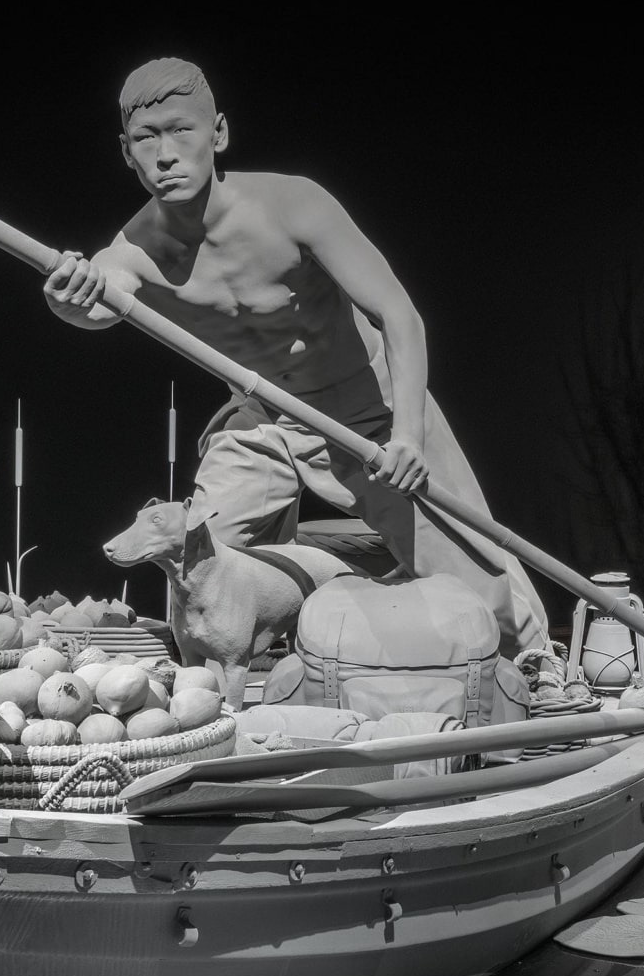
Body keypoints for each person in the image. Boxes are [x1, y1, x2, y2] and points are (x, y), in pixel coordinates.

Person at [43, 57, 547, 648]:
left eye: (182, 130)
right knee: (198, 558)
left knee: (479, 590)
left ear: (218, 134)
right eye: (146, 138)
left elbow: (399, 316)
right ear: (126, 152)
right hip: (262, 420)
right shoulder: (134, 249)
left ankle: (536, 666)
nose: (166, 154)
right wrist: (69, 301)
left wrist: (408, 435)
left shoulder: (292, 205)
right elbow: (101, 297)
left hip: (369, 412)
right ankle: (222, 681)